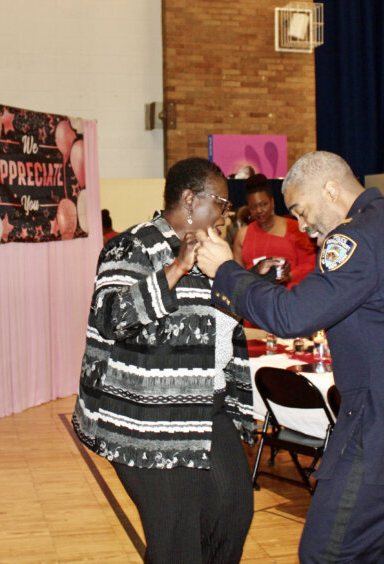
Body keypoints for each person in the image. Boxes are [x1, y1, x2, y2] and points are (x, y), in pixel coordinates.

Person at [196, 151, 384, 563]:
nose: (303, 226)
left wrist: (226, 270)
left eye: (302, 210)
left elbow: (292, 316)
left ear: (330, 189)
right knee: (382, 551)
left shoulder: (356, 238)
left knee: (327, 553)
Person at [72, 157, 255, 564]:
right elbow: (110, 317)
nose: (227, 212)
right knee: (177, 540)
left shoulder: (216, 252)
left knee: (233, 510)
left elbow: (227, 324)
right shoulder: (133, 244)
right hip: (147, 419)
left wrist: (238, 277)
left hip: (210, 405)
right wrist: (175, 269)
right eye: (220, 202)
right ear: (189, 199)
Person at [233, 173, 316, 288]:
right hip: (254, 297)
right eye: (253, 207)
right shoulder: (242, 235)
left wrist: (289, 276)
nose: (259, 210)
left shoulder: (294, 228)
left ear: (272, 202)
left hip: (288, 295)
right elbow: (237, 275)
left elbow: (309, 264)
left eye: (263, 204)